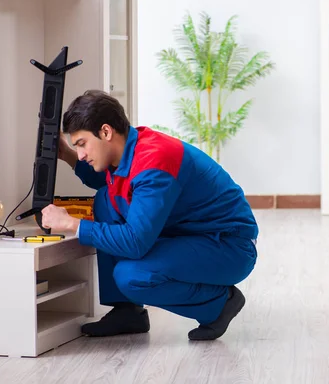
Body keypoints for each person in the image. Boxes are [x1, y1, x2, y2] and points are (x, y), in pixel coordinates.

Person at [40, 90, 258, 341]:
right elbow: (102, 177)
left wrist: (72, 224)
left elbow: (135, 242)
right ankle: (127, 311)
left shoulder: (155, 161)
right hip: (191, 236)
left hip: (229, 247)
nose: (81, 154)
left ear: (106, 132)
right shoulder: (129, 149)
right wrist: (65, 152)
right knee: (105, 199)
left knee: (132, 276)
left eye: (81, 144)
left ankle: (220, 305)